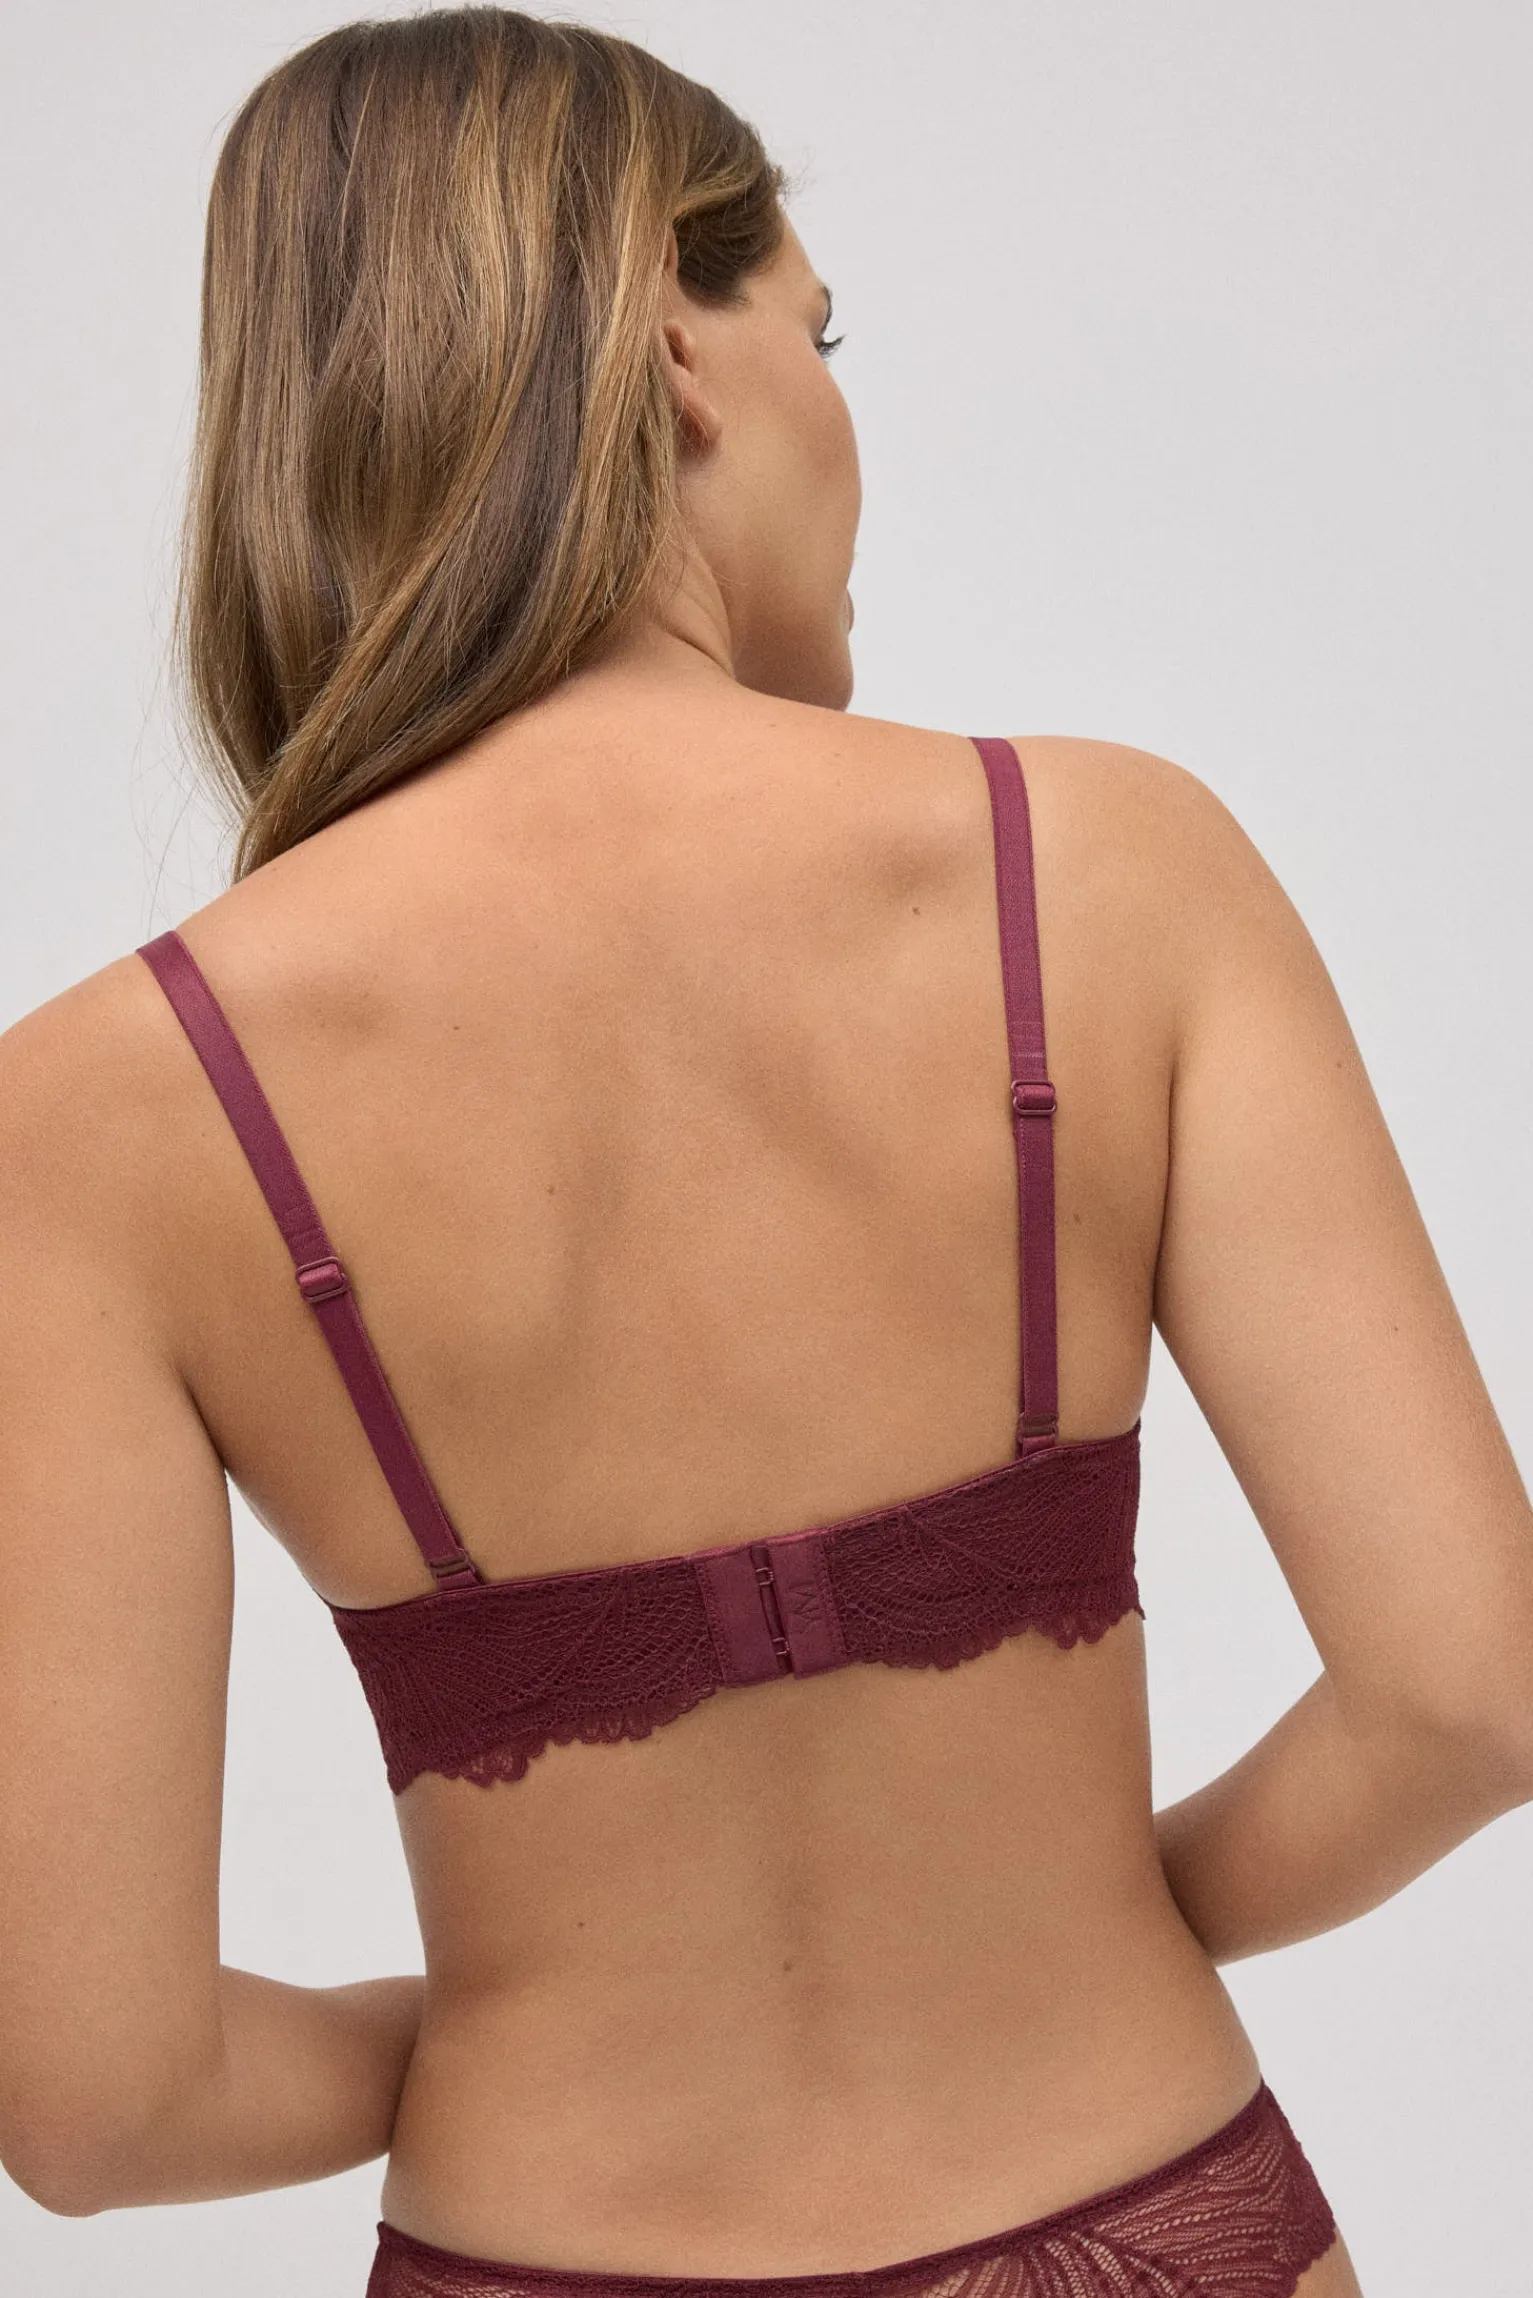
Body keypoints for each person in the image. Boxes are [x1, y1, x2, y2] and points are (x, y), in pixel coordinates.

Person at [1, 10, 1530, 2295]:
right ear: (671, 345)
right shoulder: (1107, 869)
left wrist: (552, 2021)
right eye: (820, 331)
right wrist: (1062, 1921)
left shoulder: (92, 1117)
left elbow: (102, 2109)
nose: (840, 414)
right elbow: (1468, 1694)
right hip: (1156, 2215)